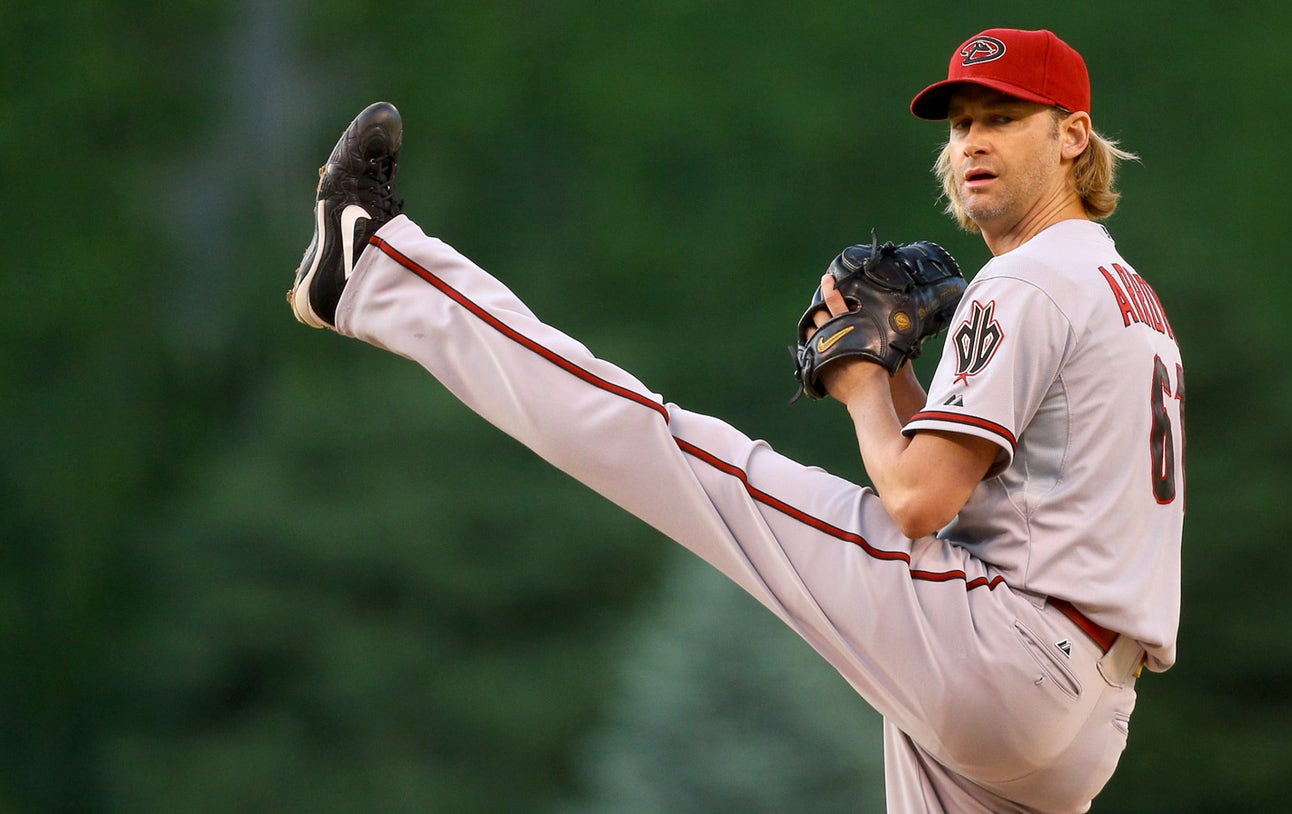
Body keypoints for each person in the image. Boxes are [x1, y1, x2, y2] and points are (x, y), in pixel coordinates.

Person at [286, 27, 1184, 814]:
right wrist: (899, 376)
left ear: (1072, 136)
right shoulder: (1122, 292)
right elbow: (992, 493)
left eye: (1003, 118)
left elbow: (918, 502)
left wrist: (864, 379)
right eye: (962, 125)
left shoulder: (1029, 282)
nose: (973, 143)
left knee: (664, 444)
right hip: (1081, 719)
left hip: (1006, 654)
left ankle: (376, 269)